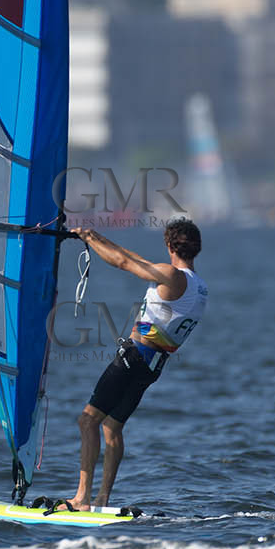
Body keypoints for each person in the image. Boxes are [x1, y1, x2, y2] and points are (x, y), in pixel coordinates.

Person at [60, 218, 208, 512]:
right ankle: (102, 499)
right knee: (112, 426)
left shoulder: (171, 276)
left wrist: (89, 241)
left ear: (169, 246)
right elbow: (135, 260)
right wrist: (95, 237)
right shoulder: (199, 286)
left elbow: (122, 263)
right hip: (152, 366)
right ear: (197, 248)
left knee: (88, 421)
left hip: (134, 357)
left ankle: (82, 499)